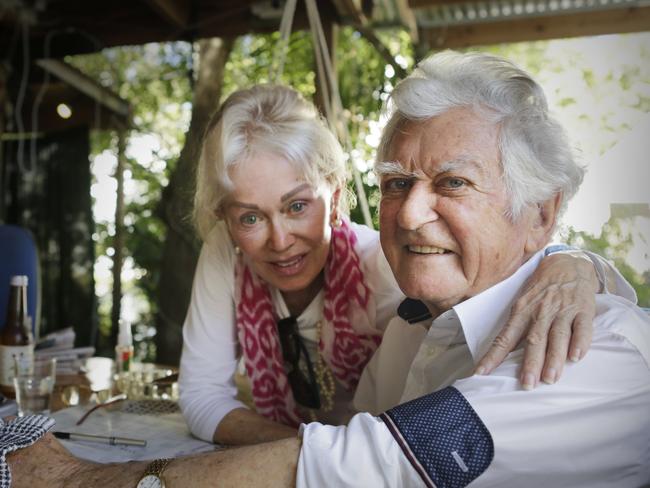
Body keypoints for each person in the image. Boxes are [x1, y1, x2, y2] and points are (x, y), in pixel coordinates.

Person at [5, 51, 648, 488]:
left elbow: (367, 460)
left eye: (453, 182)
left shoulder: (593, 350)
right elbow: (350, 434)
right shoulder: (418, 323)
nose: (412, 212)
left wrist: (83, 480)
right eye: (397, 183)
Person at [179, 84, 614, 446]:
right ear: (224, 218)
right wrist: (317, 459)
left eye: (297, 205)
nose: (279, 240)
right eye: (250, 217)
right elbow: (201, 396)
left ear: (334, 194)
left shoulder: (397, 267)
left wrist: (573, 261)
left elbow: (496, 282)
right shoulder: (228, 252)